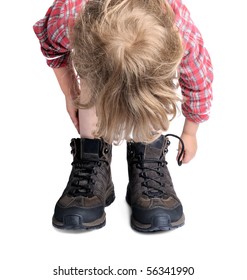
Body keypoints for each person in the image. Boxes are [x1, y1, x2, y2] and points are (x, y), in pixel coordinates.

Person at [33, 0, 213, 232]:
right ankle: (92, 153)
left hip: (152, 65)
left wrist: (190, 131)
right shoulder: (71, 16)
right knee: (93, 84)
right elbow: (52, 44)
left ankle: (147, 155)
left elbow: (199, 82)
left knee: (148, 93)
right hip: (95, 50)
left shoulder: (178, 31)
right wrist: (71, 92)